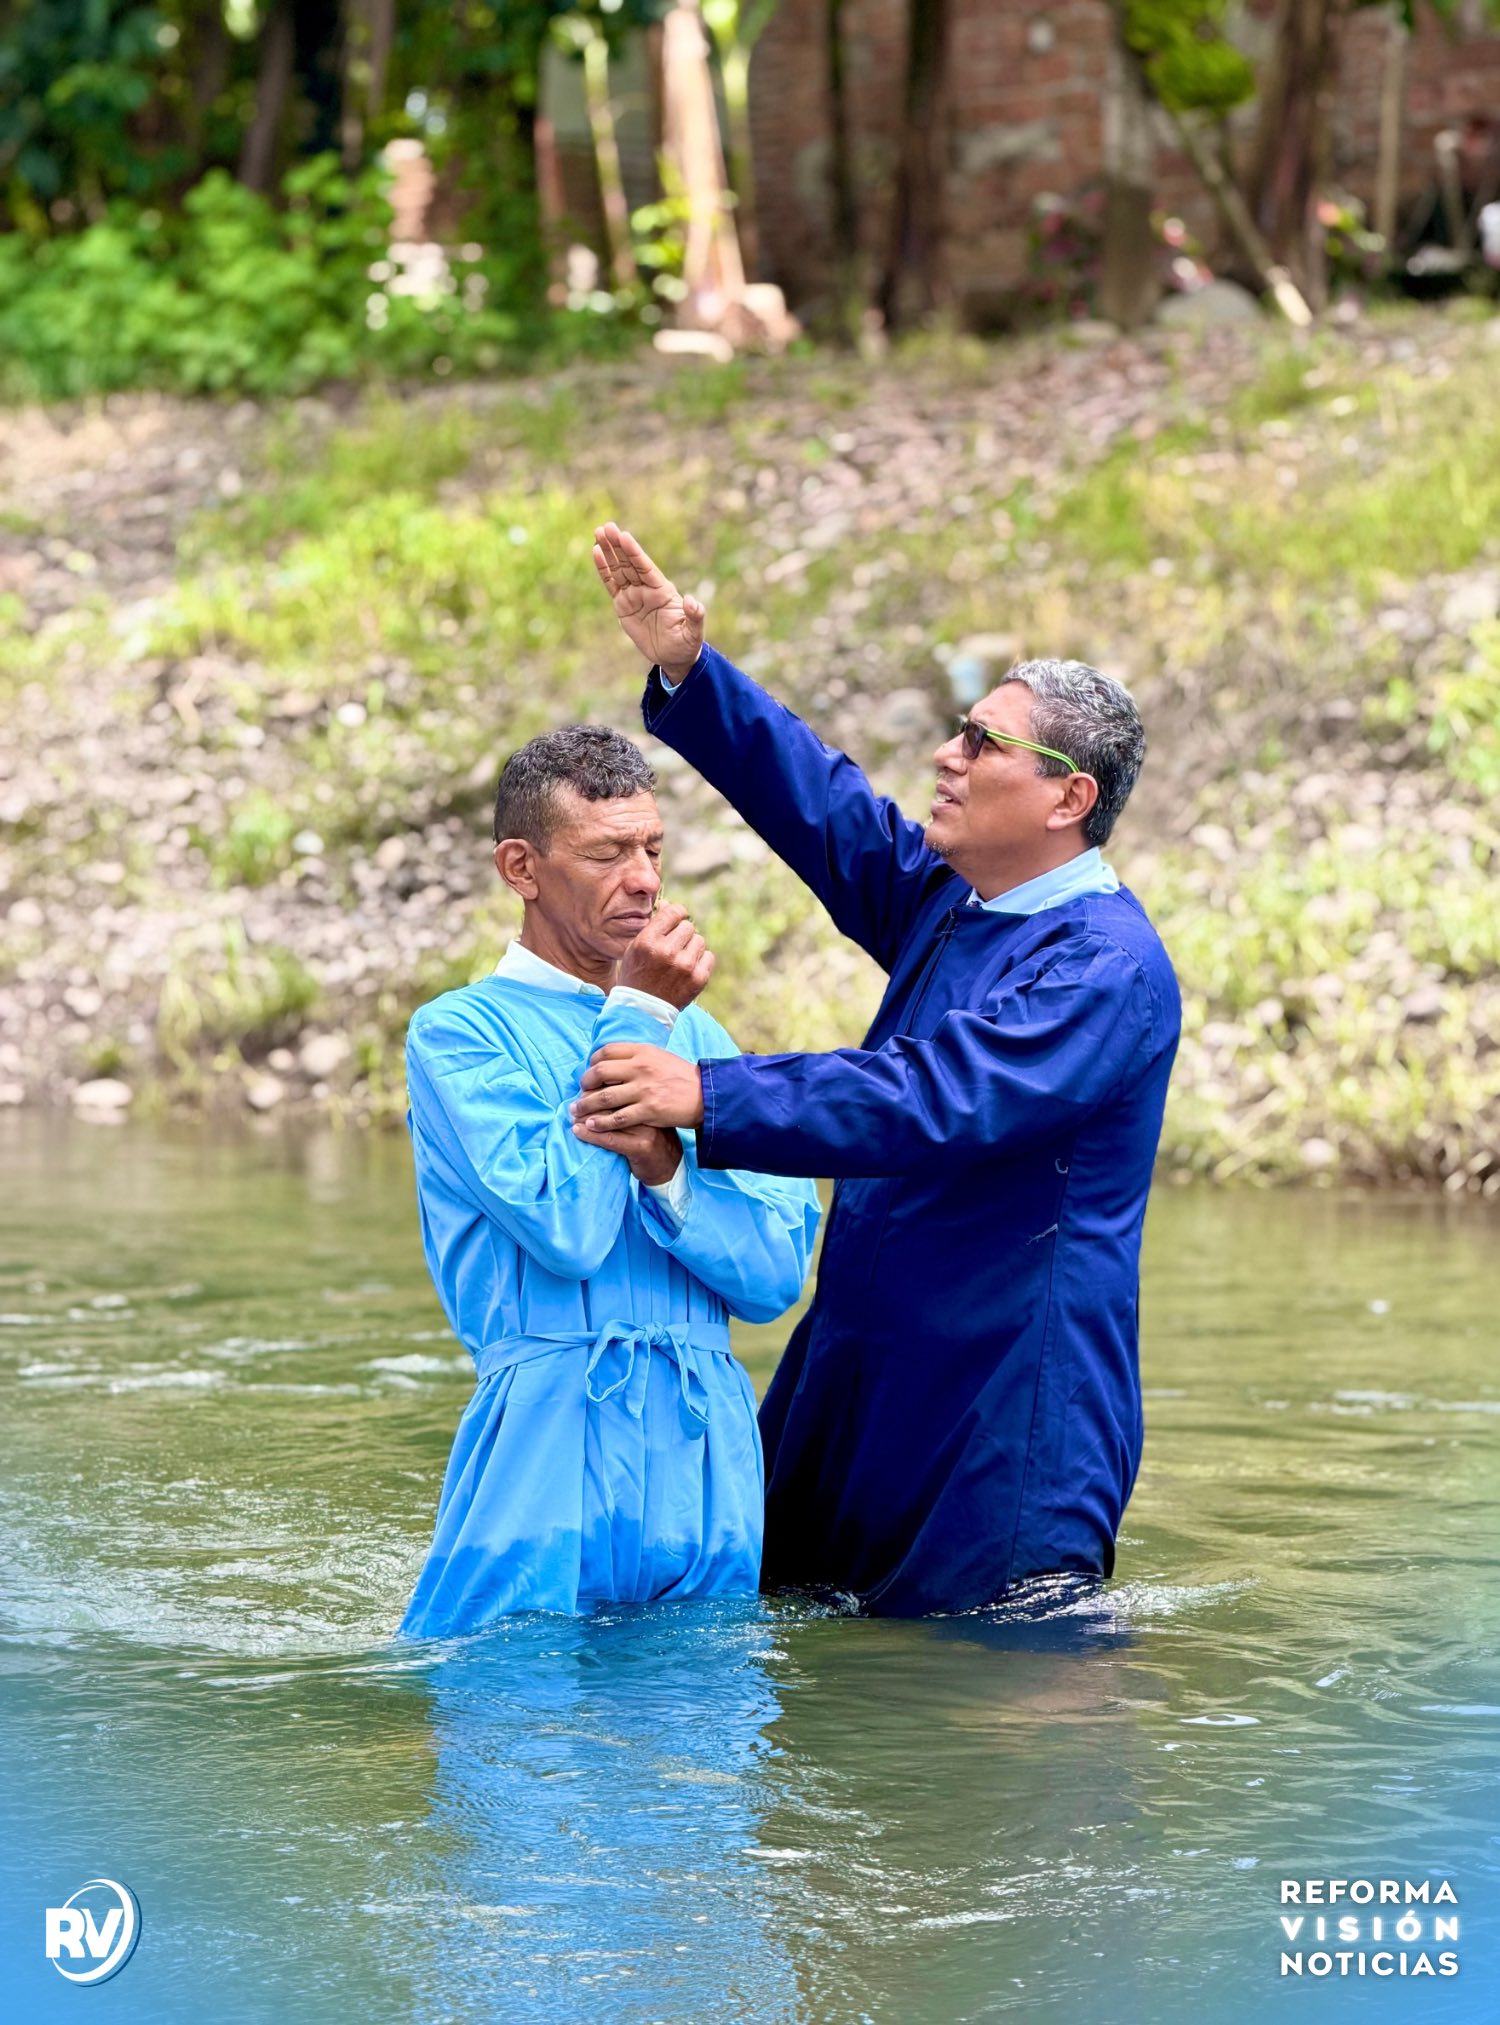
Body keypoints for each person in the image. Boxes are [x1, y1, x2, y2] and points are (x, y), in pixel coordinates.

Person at [575, 523, 1181, 1617]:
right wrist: (690, 674)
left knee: (991, 1717)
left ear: (1068, 799)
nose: (947, 756)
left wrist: (708, 1094)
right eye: (958, 733)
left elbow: (933, 1097)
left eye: (983, 744)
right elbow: (829, 810)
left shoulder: (1108, 968)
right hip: (857, 1377)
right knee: (792, 1681)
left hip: (1004, 1414)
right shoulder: (958, 905)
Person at [398, 724, 821, 1637]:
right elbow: (569, 1228)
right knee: (518, 1740)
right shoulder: (459, 1035)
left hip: (706, 1457)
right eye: (607, 852)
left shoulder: (708, 1045)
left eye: (653, 849)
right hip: (545, 1440)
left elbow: (772, 1278)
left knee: (700, 1761)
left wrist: (668, 1167)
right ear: (522, 865)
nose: (646, 879)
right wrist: (637, 1011)